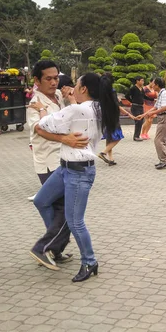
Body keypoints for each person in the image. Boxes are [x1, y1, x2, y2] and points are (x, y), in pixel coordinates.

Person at [33, 72, 119, 282]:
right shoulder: (99, 107)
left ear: (83, 89)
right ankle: (55, 243)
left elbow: (44, 125)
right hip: (66, 168)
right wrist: (72, 101)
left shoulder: (77, 110)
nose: (71, 88)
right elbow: (78, 114)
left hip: (78, 172)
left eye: (76, 85)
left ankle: (89, 261)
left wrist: (41, 108)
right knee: (41, 200)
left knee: (75, 222)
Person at [27, 60, 90, 270]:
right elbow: (40, 129)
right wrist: (66, 140)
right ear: (37, 80)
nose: (54, 82)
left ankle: (54, 249)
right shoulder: (35, 102)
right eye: (48, 78)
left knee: (57, 207)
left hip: (64, 158)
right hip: (49, 161)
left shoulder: (58, 99)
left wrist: (70, 99)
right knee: (65, 209)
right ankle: (46, 248)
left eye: (56, 78)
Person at [97, 74, 136, 166]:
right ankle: (103, 153)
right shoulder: (112, 91)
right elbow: (117, 106)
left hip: (104, 116)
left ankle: (110, 158)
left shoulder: (100, 92)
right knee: (118, 137)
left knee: (109, 136)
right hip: (113, 116)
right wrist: (128, 113)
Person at [142, 77, 166, 169]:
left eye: (154, 83)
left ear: (158, 85)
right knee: (163, 140)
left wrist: (152, 113)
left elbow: (165, 107)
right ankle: (164, 160)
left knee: (158, 140)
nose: (152, 85)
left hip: (165, 117)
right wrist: (145, 114)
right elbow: (155, 107)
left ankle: (164, 160)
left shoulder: (163, 94)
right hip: (164, 118)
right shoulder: (161, 93)